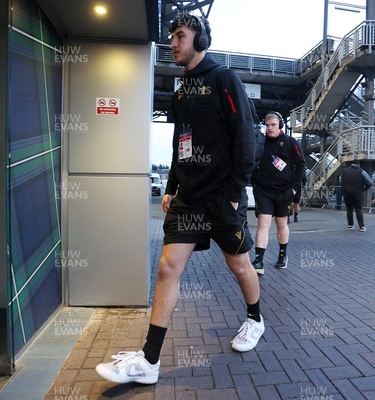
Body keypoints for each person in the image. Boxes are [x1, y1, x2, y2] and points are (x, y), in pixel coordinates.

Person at [95, 13, 264, 385]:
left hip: (221, 198)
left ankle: (255, 318)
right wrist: (172, 187)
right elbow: (180, 143)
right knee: (168, 268)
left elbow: (246, 138)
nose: (172, 43)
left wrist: (235, 195)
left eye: (180, 36)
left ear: (200, 40)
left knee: (239, 266)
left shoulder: (224, 79)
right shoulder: (183, 87)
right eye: (171, 36)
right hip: (189, 197)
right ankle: (149, 361)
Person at [251, 112, 304, 275]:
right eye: (267, 125)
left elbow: (301, 165)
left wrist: (294, 189)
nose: (270, 128)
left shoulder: (290, 142)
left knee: (281, 224)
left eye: (273, 125)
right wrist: (254, 182)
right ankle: (259, 261)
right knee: (263, 224)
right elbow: (252, 161)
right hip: (264, 191)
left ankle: (282, 255)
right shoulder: (260, 141)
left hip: (284, 192)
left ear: (280, 125)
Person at [341, 160, 373, 231]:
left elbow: (342, 182)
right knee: (358, 209)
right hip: (358, 193)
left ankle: (350, 225)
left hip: (347, 193)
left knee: (349, 210)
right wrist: (364, 189)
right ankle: (361, 226)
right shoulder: (361, 171)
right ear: (358, 165)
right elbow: (370, 182)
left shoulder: (345, 171)